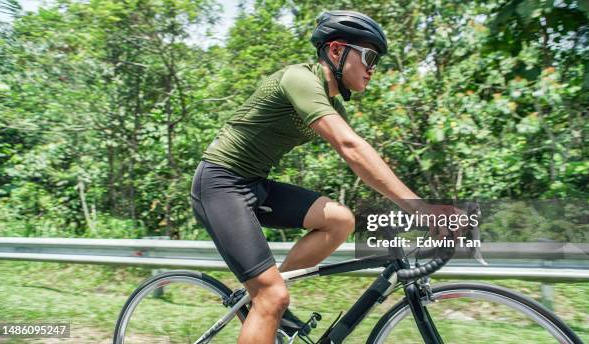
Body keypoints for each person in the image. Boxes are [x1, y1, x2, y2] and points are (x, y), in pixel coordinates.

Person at [191, 10, 447, 344]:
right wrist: (420, 207)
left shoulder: (331, 105)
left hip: (255, 184)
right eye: (370, 56)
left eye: (378, 61)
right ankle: (267, 299)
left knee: (340, 220)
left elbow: (360, 159)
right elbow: (350, 147)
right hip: (219, 183)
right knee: (273, 298)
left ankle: (264, 299)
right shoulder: (299, 79)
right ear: (337, 51)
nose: (373, 68)